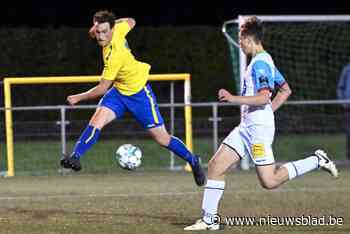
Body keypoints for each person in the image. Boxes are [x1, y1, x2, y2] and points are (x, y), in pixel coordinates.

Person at [184, 16, 339, 230]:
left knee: (269, 181)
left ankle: (316, 160)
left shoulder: (260, 64)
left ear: (249, 39)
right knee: (216, 165)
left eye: (240, 39)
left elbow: (264, 97)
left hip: (258, 131)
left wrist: (232, 98)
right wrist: (267, 112)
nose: (239, 43)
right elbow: (285, 90)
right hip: (247, 126)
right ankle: (209, 220)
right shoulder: (263, 61)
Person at [59, 10, 205, 186]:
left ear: (112, 30)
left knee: (162, 139)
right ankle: (75, 157)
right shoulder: (118, 28)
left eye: (105, 31)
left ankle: (193, 160)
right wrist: (105, 25)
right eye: (98, 31)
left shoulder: (114, 55)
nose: (100, 36)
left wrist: (78, 97)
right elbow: (132, 21)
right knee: (96, 121)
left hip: (139, 93)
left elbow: (103, 87)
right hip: (119, 92)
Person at [336, 63, 350, 160]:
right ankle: (348, 158)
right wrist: (343, 102)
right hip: (348, 105)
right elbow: (340, 87)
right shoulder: (347, 69)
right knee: (349, 131)